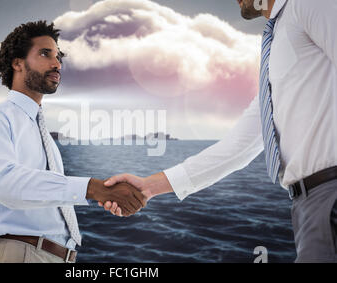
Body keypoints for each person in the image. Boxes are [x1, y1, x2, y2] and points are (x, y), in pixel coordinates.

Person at [100, 0, 337, 263]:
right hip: (308, 207)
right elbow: (238, 147)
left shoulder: (310, 4)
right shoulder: (278, 42)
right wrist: (148, 187)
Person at [0, 21, 146, 263]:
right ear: (17, 63)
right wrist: (94, 189)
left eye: (58, 56)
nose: (57, 64)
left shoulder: (43, 135)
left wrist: (106, 193)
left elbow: (47, 194)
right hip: (20, 254)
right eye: (45, 54)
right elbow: (6, 184)